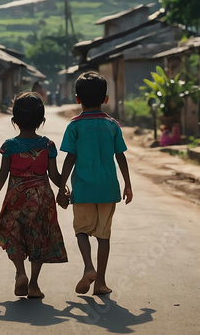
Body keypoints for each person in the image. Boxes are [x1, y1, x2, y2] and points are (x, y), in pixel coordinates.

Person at [58, 71, 133, 296]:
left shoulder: (75, 126)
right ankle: (100, 282)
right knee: (104, 236)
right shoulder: (113, 125)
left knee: (81, 230)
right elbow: (121, 156)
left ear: (77, 99)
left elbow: (70, 158)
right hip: (109, 189)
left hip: (83, 189)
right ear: (106, 99)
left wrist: (61, 187)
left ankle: (88, 267)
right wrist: (128, 184)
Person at [0, 92, 69, 299]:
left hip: (16, 198)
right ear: (42, 120)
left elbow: (2, 174)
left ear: (14, 120)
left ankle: (20, 272)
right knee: (38, 237)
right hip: (42, 198)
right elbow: (54, 175)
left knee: (13, 234)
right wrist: (63, 189)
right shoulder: (47, 145)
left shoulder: (9, 146)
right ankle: (33, 284)